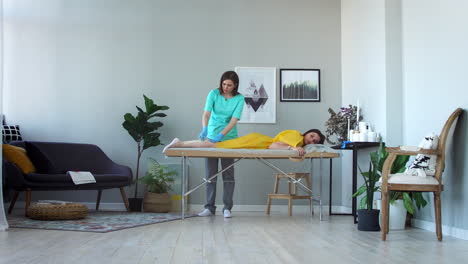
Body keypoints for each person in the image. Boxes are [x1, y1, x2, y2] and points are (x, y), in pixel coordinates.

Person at [196, 71, 245, 218]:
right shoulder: (213, 94)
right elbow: (206, 114)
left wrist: (222, 135)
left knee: (228, 175)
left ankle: (227, 208)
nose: (226, 87)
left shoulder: (239, 99)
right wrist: (205, 128)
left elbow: (233, 120)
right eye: (224, 84)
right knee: (210, 174)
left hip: (229, 139)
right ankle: (209, 207)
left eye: (229, 85)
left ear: (235, 85)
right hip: (211, 136)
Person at [163, 129, 326, 157]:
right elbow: (272, 146)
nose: (311, 140)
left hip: (255, 142)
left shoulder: (298, 142)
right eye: (312, 136)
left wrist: (295, 148)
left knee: (213, 144)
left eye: (314, 141)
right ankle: (180, 143)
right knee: (213, 145)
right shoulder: (296, 136)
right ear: (307, 132)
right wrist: (294, 148)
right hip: (256, 141)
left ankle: (180, 143)